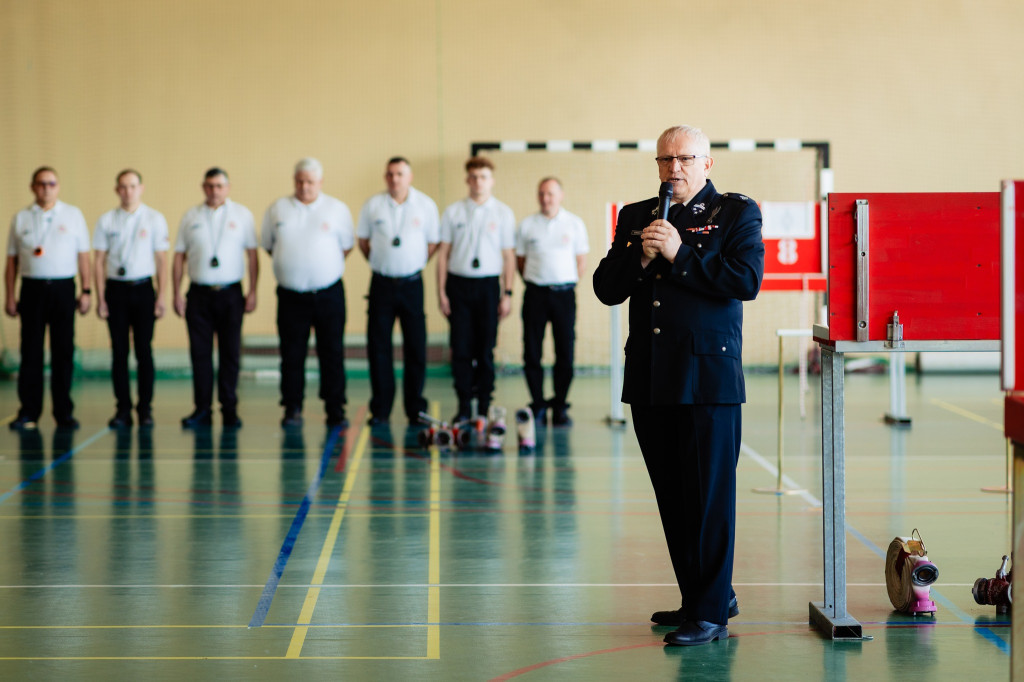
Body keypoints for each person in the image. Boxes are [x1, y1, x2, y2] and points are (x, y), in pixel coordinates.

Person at [593, 125, 764, 646]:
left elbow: (745, 280)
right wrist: (641, 258)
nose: (675, 169)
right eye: (666, 160)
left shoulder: (736, 213)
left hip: (708, 379)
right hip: (651, 377)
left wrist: (679, 254)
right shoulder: (636, 215)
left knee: (709, 499)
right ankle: (702, 597)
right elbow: (605, 288)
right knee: (673, 497)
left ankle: (710, 613)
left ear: (707, 163)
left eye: (686, 159)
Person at [261, 158, 354, 429]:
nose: (304, 186)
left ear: (320, 183)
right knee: (291, 354)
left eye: (310, 182)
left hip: (329, 294)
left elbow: (346, 247)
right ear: (294, 181)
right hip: (291, 297)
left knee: (332, 353)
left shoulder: (337, 209)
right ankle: (292, 407)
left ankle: (335, 409)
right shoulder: (277, 209)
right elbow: (269, 245)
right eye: (300, 181)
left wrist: (320, 267)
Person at [5, 167, 92, 430]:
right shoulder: (21, 218)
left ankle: (63, 413)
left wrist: (86, 290)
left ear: (58, 186)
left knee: (63, 351)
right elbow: (11, 262)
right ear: (33, 187)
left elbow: (84, 256)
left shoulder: (73, 215)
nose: (46, 188)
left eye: (51, 183)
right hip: (32, 289)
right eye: (41, 184)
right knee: (30, 351)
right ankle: (29, 412)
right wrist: (9, 295)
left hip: (64, 289)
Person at [172, 167, 258, 429]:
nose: (214, 191)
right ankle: (202, 409)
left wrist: (252, 290)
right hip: (198, 295)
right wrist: (176, 292)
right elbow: (178, 257)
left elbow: (252, 256)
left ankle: (229, 409)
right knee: (200, 354)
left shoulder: (242, 215)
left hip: (231, 294)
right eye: (210, 186)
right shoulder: (191, 216)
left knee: (230, 353)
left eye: (220, 186)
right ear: (203, 187)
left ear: (228, 188)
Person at [356, 157, 439, 426]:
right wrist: (385, 263)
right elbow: (364, 242)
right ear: (385, 177)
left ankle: (415, 408)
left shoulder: (425, 205)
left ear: (409, 177)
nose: (394, 179)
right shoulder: (373, 205)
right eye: (390, 174)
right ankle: (380, 408)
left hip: (413, 284)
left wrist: (410, 263)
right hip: (381, 284)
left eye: (400, 174)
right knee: (379, 347)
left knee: (415, 346)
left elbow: (433, 243)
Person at [437, 156, 516, 422]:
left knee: (484, 350)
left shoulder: (503, 213)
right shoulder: (453, 212)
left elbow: (508, 257)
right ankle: (463, 405)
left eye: (483, 177)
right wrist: (441, 293)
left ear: (491, 180)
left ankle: (483, 406)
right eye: (473, 177)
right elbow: (443, 255)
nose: (478, 182)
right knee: (460, 349)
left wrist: (507, 293)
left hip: (488, 288)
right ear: (467, 180)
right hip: (458, 285)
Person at [93, 169, 170, 428]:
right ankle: (122, 409)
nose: (128, 191)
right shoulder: (106, 220)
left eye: (133, 186)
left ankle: (145, 408)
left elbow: (161, 260)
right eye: (123, 187)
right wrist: (101, 298)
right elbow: (99, 261)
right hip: (116, 290)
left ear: (141, 188)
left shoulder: (155, 219)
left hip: (143, 289)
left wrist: (161, 297)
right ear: (117, 190)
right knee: (119, 352)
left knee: (144, 351)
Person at [515, 177, 589, 427]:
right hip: (535, 295)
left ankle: (560, 406)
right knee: (532, 352)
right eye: (542, 194)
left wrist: (563, 282)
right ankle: (537, 404)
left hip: (564, 296)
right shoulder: (527, 226)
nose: (546, 198)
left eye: (550, 194)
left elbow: (581, 261)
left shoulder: (574, 224)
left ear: (560, 195)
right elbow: (520, 263)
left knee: (565, 352)